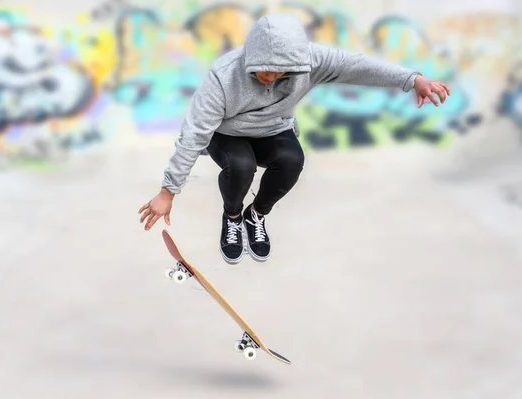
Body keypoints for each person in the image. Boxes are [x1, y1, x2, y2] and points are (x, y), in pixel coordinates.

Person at [139, 13, 451, 264]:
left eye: (280, 71)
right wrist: (169, 191)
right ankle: (233, 216)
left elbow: (357, 66)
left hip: (274, 128)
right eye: (264, 70)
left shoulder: (310, 60)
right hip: (226, 133)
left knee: (292, 160)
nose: (271, 77)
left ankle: (256, 215)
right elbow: (194, 132)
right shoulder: (224, 76)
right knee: (241, 166)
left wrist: (412, 80)